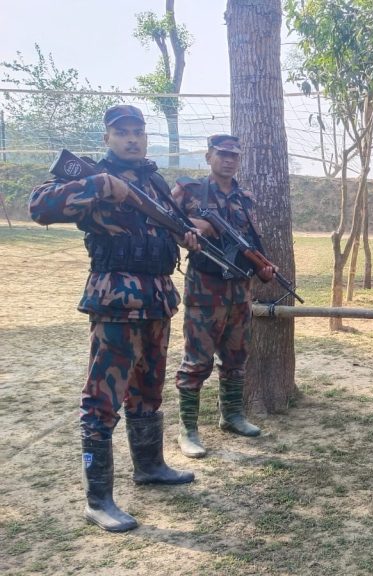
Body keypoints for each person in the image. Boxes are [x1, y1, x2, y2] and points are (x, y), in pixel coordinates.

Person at [29, 104, 198, 532]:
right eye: (122, 132)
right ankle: (98, 499)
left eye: (138, 131)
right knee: (102, 400)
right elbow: (39, 205)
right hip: (116, 305)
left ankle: (150, 466)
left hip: (158, 301)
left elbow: (173, 226)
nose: (132, 139)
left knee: (148, 390)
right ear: (107, 138)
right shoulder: (90, 176)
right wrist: (100, 185)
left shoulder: (156, 182)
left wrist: (187, 234)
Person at [172, 134, 267, 458]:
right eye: (223, 154)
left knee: (236, 357)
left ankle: (232, 416)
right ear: (209, 155)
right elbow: (166, 222)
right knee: (196, 361)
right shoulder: (189, 191)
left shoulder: (245, 198)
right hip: (204, 289)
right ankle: (188, 430)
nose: (229, 160)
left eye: (234, 156)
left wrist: (263, 266)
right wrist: (198, 228)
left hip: (239, 290)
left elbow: (250, 240)